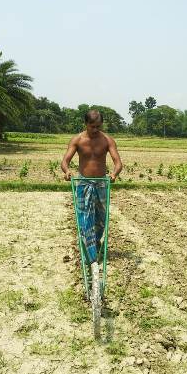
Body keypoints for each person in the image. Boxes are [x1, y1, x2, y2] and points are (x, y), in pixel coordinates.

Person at [61, 110, 123, 276]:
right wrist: (67, 172)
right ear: (86, 124)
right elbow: (65, 161)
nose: (95, 129)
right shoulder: (78, 140)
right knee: (85, 218)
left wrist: (114, 174)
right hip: (83, 183)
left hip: (102, 183)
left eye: (98, 126)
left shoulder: (107, 140)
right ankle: (88, 252)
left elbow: (118, 162)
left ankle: (94, 246)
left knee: (101, 219)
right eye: (92, 126)